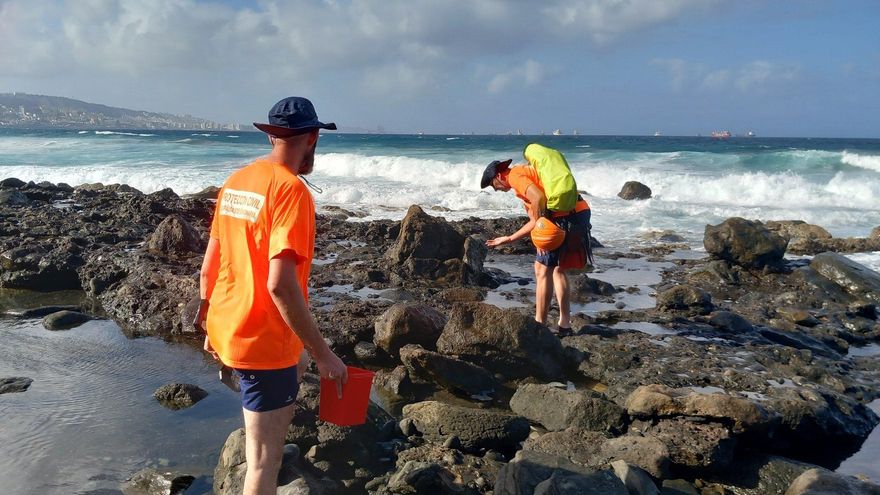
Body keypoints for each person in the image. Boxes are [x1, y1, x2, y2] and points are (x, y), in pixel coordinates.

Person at [194, 96, 348, 495]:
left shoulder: (237, 181)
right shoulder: (292, 192)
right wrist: (324, 355)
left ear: (271, 136)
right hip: (262, 341)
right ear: (312, 137)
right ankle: (266, 449)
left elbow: (209, 266)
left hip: (228, 326)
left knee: (295, 363)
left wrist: (208, 324)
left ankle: (271, 427)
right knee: (263, 464)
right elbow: (279, 285)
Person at [481, 154, 592, 334]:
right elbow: (534, 218)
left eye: (493, 185)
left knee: (541, 269)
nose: (496, 190)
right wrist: (509, 238)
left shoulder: (515, 176)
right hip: (580, 212)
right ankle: (565, 324)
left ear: (499, 176)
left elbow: (539, 198)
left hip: (563, 219)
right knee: (558, 269)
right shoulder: (529, 173)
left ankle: (540, 324)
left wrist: (542, 231)